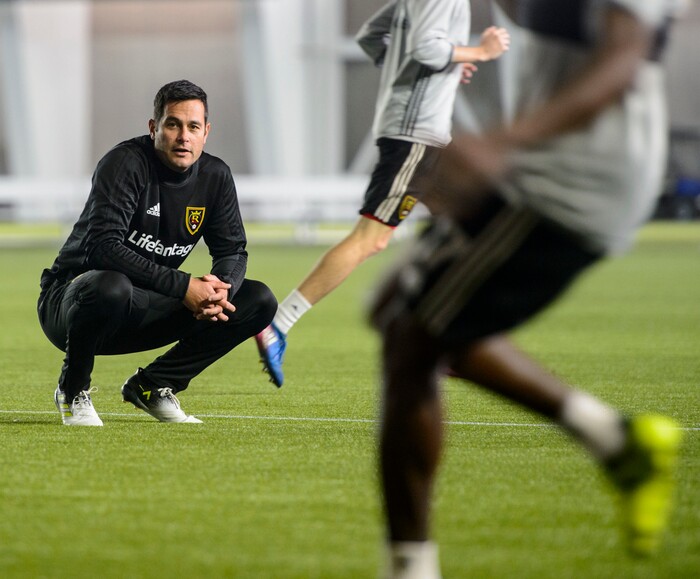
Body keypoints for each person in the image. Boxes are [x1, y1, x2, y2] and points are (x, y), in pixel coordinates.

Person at [367, 0, 685, 576]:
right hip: (532, 170)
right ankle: (615, 440)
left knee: (410, 337)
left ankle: (410, 569)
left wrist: (502, 142)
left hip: (574, 181)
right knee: (398, 316)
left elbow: (623, 58)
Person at [255, 1, 510, 387]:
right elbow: (426, 49)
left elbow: (372, 37)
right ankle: (278, 324)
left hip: (421, 136)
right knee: (370, 239)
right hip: (415, 136)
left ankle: (445, 341)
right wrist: (479, 51)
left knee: (469, 224)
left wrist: (441, 68)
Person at [38, 79, 277, 426]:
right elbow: (103, 248)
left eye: (193, 126)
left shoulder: (215, 176)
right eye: (173, 124)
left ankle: (153, 385)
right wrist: (184, 286)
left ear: (206, 131)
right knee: (110, 285)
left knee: (258, 298)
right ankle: (72, 389)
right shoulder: (125, 164)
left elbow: (233, 250)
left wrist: (220, 288)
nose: (183, 136)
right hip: (72, 304)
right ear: (154, 128)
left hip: (144, 304)